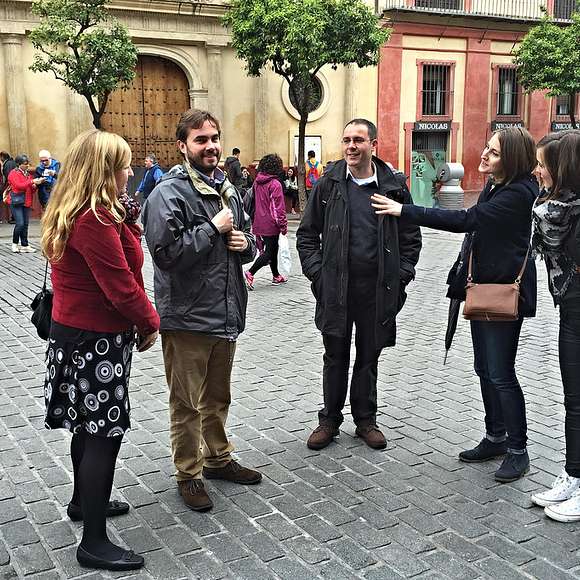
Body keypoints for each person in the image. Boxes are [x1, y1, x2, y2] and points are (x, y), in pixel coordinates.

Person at [375, 127, 538, 482]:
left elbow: (466, 220)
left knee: (501, 373)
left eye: (494, 152)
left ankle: (518, 450)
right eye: (487, 147)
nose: (484, 154)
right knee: (485, 368)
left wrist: (404, 210)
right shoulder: (498, 185)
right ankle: (495, 437)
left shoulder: (518, 193)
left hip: (504, 292)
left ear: (511, 159)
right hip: (484, 287)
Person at [40, 129, 160, 571]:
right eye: (124, 165)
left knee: (85, 429)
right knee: (103, 436)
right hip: (95, 341)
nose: (130, 171)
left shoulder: (80, 210)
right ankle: (93, 541)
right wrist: (151, 322)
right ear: (104, 171)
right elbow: (121, 287)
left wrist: (125, 218)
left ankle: (83, 501)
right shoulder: (94, 219)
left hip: (76, 335)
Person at [143, 109, 261, 513]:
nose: (210, 146)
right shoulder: (168, 194)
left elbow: (249, 238)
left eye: (214, 138)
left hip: (225, 314)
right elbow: (166, 255)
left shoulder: (227, 188)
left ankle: (218, 458)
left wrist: (247, 245)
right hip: (187, 318)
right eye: (200, 140)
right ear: (183, 146)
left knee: (217, 397)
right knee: (187, 404)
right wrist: (213, 228)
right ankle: (188, 474)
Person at [296, 118, 422, 451]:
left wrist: (402, 274)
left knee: (369, 356)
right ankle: (329, 420)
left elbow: (411, 236)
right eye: (347, 140)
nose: (351, 146)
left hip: (378, 291)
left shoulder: (393, 186)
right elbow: (307, 235)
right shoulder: (329, 184)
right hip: (335, 289)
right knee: (334, 356)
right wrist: (318, 275)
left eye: (358, 140)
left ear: (373, 145)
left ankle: (366, 420)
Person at [530, 130, 580, 521]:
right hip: (570, 311)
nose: (536, 171)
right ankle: (574, 474)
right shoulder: (553, 210)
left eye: (542, 164)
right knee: (573, 400)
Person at [244, 154, 288, 290]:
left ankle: (276, 275)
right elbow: (278, 208)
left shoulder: (257, 182)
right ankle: (250, 272)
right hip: (271, 224)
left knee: (273, 248)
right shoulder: (275, 184)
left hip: (258, 221)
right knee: (269, 252)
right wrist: (283, 225)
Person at [7, 154, 42, 253]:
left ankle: (24, 245)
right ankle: (14, 244)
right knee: (20, 223)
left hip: (26, 201)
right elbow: (19, 186)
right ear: (19, 164)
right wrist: (31, 182)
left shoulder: (28, 174)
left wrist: (35, 185)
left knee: (25, 224)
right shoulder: (13, 173)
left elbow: (31, 189)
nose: (27, 165)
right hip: (16, 202)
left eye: (28, 163)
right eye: (25, 164)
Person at [0, 151, 16, 223]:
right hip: (13, 185)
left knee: (11, 201)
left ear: (2, 157)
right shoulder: (12, 162)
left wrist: (8, 185)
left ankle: (14, 217)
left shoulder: (7, 164)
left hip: (11, 185)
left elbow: (8, 176)